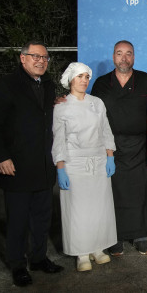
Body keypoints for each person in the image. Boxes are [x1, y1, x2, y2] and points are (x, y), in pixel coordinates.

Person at [0, 41, 63, 287]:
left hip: (43, 166)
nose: (41, 61)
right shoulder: (6, 85)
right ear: (22, 58)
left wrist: (58, 104)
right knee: (18, 221)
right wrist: (0, 157)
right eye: (35, 56)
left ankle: (38, 259)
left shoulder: (49, 86)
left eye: (45, 58)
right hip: (15, 166)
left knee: (41, 218)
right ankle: (18, 265)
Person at [91, 40, 147, 255]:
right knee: (114, 192)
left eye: (128, 54)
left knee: (140, 191)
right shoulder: (101, 83)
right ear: (113, 57)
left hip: (140, 146)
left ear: (134, 57)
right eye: (119, 53)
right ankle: (114, 236)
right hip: (110, 147)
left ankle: (140, 235)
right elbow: (89, 109)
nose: (124, 58)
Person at [52, 62, 117, 271]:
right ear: (70, 79)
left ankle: (98, 248)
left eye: (86, 77)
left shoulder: (97, 103)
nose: (84, 80)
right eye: (79, 76)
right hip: (74, 163)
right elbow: (58, 139)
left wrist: (110, 156)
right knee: (78, 210)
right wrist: (60, 167)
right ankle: (81, 253)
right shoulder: (61, 106)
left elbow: (106, 130)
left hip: (98, 161)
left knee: (100, 208)